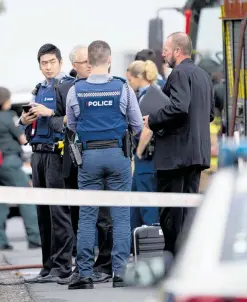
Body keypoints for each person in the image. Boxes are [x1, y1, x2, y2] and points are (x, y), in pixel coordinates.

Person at [66, 40, 144, 290]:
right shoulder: (123, 88)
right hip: (118, 154)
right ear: (109, 60)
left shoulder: (76, 90)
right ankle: (120, 274)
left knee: (87, 218)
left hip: (89, 157)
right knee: (121, 217)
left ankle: (85, 275)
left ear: (88, 62)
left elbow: (71, 125)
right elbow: (137, 125)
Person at [143, 32, 213, 257]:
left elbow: (179, 107)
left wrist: (152, 119)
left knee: (171, 212)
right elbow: (209, 114)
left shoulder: (179, 74)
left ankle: (173, 259)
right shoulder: (203, 75)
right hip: (196, 155)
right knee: (188, 211)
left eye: (166, 49)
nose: (162, 54)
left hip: (175, 156)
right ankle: (187, 257)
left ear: (177, 51)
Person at [18, 43, 74, 284]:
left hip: (57, 155)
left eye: (52, 62)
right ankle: (47, 266)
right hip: (37, 154)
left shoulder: (69, 86)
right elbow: (22, 127)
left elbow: (73, 119)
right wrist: (23, 119)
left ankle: (63, 267)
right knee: (43, 213)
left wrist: (49, 112)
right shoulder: (38, 88)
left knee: (59, 212)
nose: (48, 67)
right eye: (43, 63)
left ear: (60, 63)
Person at [58, 45, 113, 286]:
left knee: (103, 216)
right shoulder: (67, 89)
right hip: (75, 158)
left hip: (100, 157)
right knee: (80, 217)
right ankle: (83, 266)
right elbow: (63, 122)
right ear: (75, 66)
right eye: (84, 62)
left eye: (91, 60)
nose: (90, 65)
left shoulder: (110, 85)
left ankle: (105, 265)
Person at [0, 86, 41, 251]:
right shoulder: (9, 117)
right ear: (4, 101)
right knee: (27, 197)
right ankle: (35, 238)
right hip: (10, 163)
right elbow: (23, 140)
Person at [125, 60, 160, 231]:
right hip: (146, 159)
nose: (129, 84)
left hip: (146, 157)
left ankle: (150, 246)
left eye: (130, 80)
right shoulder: (152, 93)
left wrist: (138, 151)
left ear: (139, 77)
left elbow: (148, 127)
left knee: (147, 203)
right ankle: (136, 244)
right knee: (138, 201)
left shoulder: (148, 97)